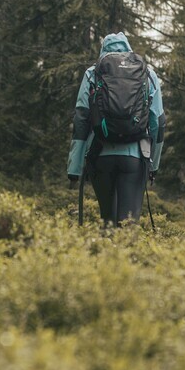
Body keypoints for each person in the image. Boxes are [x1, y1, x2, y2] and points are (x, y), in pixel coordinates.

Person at [67, 32, 165, 226]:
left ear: (103, 51)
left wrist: (74, 169)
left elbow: (81, 120)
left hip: (100, 154)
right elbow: (158, 122)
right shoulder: (147, 74)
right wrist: (153, 165)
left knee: (108, 223)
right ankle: (128, 254)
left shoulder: (93, 73)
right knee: (128, 224)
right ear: (128, 48)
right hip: (135, 157)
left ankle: (106, 253)